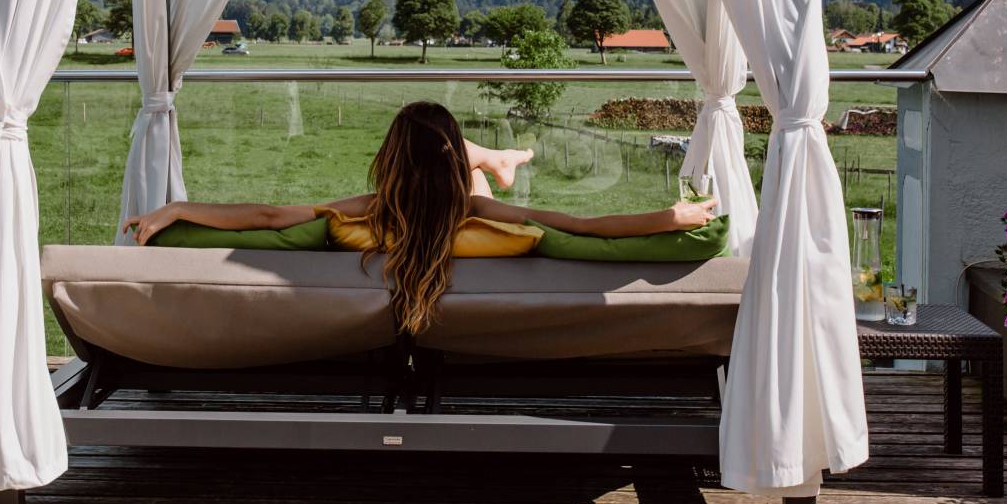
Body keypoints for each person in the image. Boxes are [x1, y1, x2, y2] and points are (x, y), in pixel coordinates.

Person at [121, 100, 717, 334]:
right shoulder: (476, 211)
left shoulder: (370, 212)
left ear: (389, 160)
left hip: (423, 194)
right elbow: (579, 227)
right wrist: (668, 217)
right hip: (465, 194)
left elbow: (268, 215)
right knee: (465, 165)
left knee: (444, 156)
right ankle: (493, 158)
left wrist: (179, 207)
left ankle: (492, 157)